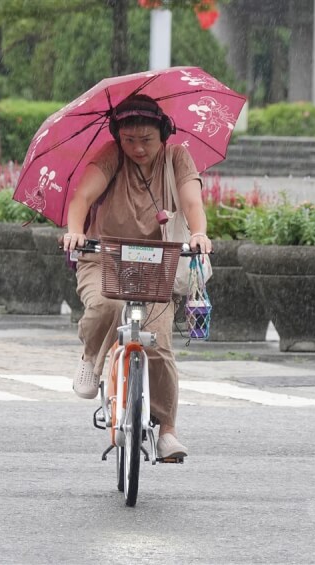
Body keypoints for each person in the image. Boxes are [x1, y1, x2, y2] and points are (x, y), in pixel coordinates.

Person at [61, 95, 213, 459]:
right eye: (129, 140)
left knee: (158, 345)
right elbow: (82, 198)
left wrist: (198, 233)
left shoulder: (178, 158)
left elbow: (193, 203)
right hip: (104, 256)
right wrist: (75, 230)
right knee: (106, 304)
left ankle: (168, 431)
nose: (137, 148)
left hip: (157, 263)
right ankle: (89, 355)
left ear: (164, 133)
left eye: (146, 139)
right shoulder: (111, 155)